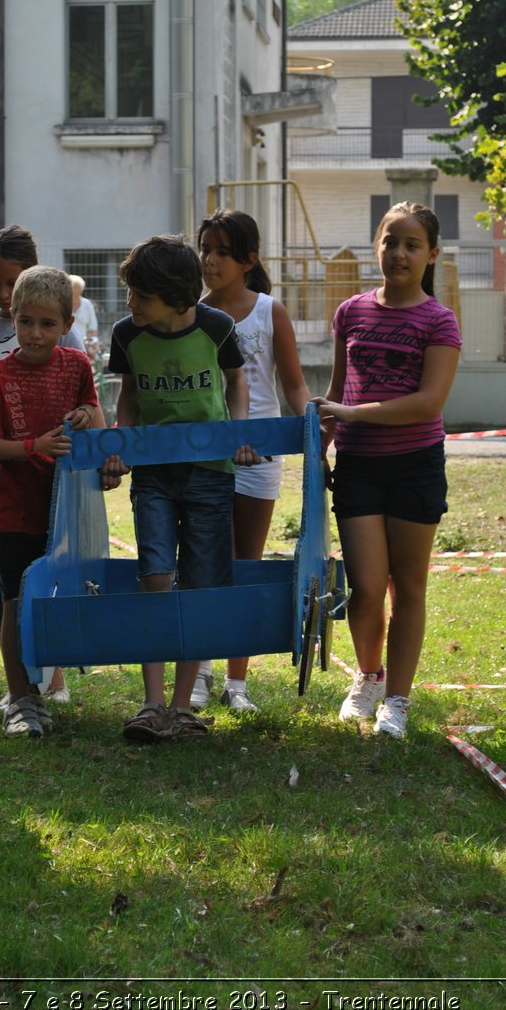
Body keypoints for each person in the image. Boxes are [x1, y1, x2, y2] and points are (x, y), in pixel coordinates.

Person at [314, 202, 461, 739]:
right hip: (358, 468)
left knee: (409, 587)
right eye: (390, 241)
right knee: (366, 587)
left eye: (412, 244)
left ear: (431, 255)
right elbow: (336, 391)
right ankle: (369, 678)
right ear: (377, 245)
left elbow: (428, 403)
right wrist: (322, 441)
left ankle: (397, 699)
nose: (399, 253)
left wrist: (350, 414)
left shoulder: (438, 321)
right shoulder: (350, 311)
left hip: (415, 467)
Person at [103, 234, 258, 743]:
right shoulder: (127, 335)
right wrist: (121, 443)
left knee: (200, 583)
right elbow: (127, 394)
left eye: (140, 296)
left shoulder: (218, 327)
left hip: (211, 473)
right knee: (154, 576)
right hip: (153, 474)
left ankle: (182, 705)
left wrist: (238, 434)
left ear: (176, 296)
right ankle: (150, 704)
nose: (130, 304)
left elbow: (237, 381)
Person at [0, 265, 115, 739]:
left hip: (64, 506)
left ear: (67, 325)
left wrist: (85, 415)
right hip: (10, 509)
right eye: (26, 321)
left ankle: (45, 686)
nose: (35, 333)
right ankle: (20, 700)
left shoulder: (76, 366)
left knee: (56, 598)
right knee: (15, 600)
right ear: (12, 318)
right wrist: (34, 446)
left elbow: (94, 415)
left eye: (47, 324)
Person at [0, 227, 86, 707]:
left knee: (49, 578)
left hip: (51, 477)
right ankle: (21, 685)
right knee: (0, 586)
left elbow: (87, 406)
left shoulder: (65, 348)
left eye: (13, 282)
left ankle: (50, 678)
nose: (4, 295)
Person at [192, 208, 312, 713]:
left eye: (222, 252)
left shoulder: (270, 311)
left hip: (260, 457)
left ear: (248, 260)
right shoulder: (190, 312)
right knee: (200, 564)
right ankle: (196, 671)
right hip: (203, 457)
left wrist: (316, 433)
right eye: (206, 249)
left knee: (246, 564)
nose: (210, 261)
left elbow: (294, 385)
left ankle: (236, 684)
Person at [68, 275, 99, 350]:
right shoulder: (62, 304)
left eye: (76, 289)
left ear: (81, 291)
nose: (74, 292)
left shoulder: (87, 305)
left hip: (82, 345)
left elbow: (93, 329)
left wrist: (90, 345)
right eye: (72, 289)